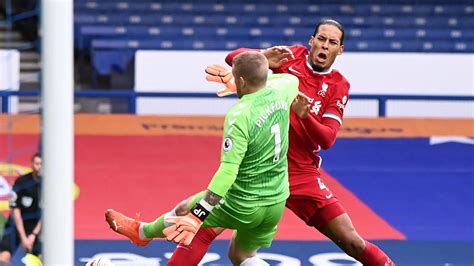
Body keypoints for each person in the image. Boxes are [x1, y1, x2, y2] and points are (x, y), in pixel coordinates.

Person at [165, 19, 396, 266]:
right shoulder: (291, 56)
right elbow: (234, 58)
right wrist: (264, 57)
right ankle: (149, 231)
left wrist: (304, 117)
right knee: (205, 231)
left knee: (352, 241)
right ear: (311, 40)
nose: (325, 46)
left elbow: (327, 138)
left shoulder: (338, 85)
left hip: (301, 174)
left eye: (332, 42)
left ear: (340, 50)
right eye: (321, 39)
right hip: (259, 169)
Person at [105, 51, 306, 265]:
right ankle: (143, 232)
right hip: (276, 201)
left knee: (185, 211)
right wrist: (251, 73)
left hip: (243, 203)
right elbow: (283, 79)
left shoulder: (241, 115)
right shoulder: (286, 86)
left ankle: (142, 233)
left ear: (240, 81)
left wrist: (197, 215)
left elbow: (228, 172)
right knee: (242, 257)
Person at [0, 153, 42, 265]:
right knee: (3, 256)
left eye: (42, 164)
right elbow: (15, 210)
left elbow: (46, 215)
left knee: (37, 259)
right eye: (37, 163)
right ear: (32, 164)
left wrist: (33, 235)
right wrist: (23, 237)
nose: (39, 167)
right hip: (17, 224)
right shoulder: (22, 182)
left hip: (37, 226)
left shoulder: (50, 185)